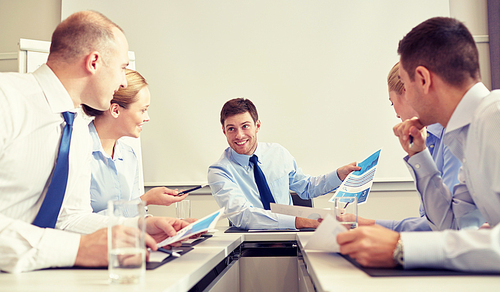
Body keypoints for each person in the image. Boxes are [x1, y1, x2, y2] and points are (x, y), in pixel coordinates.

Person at [0, 11, 188, 273]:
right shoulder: (6, 99)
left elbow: (69, 218)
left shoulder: (75, 128)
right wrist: (77, 250)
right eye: (122, 68)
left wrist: (137, 228)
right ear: (94, 62)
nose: (123, 81)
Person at [337, 17, 500, 272]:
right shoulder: (468, 135)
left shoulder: (495, 118)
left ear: (423, 79)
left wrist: (403, 248)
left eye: (406, 83)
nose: (407, 98)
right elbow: (453, 227)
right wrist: (420, 156)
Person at [207, 98, 360, 230]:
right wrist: (302, 221)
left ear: (257, 126)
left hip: (291, 235)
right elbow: (242, 216)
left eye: (245, 126)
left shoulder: (277, 153)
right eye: (231, 129)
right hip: (250, 244)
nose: (239, 135)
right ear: (224, 131)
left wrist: (339, 175)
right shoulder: (219, 171)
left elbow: (306, 188)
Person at [355, 62, 462, 232]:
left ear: (406, 91)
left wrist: (371, 225)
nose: (396, 113)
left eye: (392, 103)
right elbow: (433, 220)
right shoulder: (428, 138)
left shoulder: (454, 136)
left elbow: (449, 225)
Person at [82, 69, 188, 214]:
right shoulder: (78, 152)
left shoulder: (128, 156)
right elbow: (75, 221)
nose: (147, 118)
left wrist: (162, 225)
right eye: (143, 110)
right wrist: (144, 200)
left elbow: (134, 216)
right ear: (115, 110)